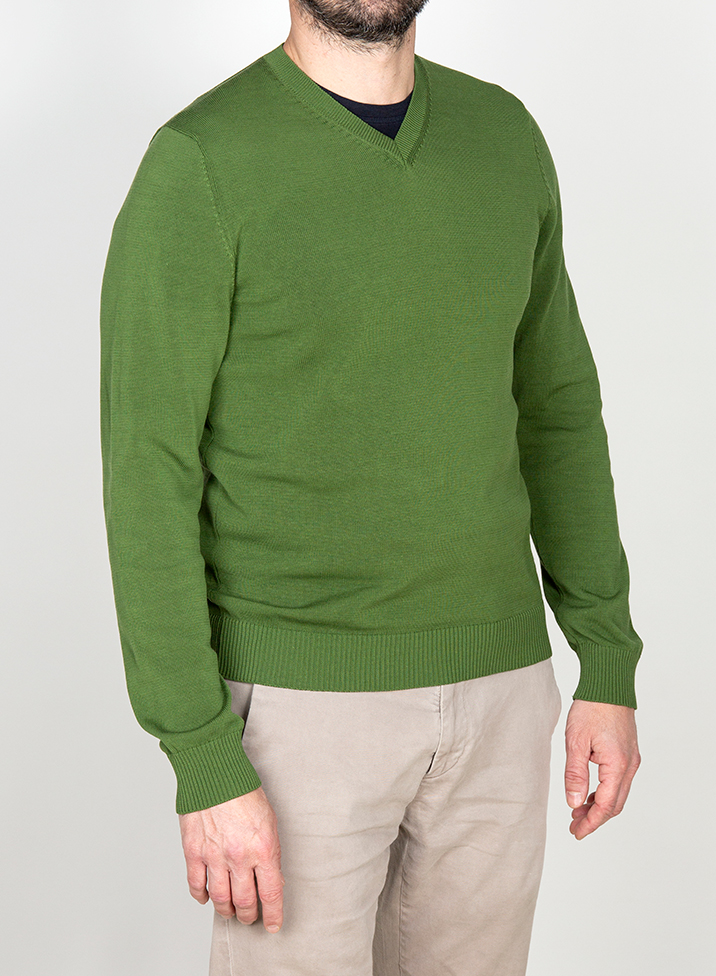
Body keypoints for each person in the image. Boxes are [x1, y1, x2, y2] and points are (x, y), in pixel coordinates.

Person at [99, 1, 643, 973]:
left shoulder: (503, 138)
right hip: (299, 710)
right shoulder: (202, 162)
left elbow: (556, 407)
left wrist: (604, 658)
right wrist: (201, 753)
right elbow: (148, 473)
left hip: (500, 696)